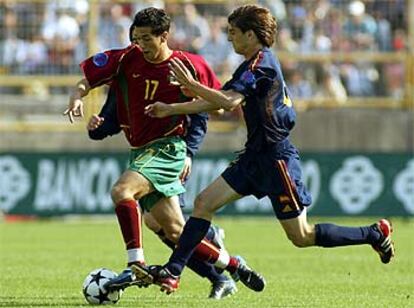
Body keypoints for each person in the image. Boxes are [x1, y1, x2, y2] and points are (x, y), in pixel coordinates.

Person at [139, 4, 395, 294]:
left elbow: (228, 102)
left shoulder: (262, 65)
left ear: (251, 34)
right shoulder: (250, 65)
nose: (229, 38)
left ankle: (373, 233)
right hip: (254, 157)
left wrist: (191, 85)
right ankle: (174, 272)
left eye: (234, 33)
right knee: (203, 203)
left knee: (302, 236)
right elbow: (219, 100)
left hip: (277, 161)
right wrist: (172, 108)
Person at [63, 7, 263, 298]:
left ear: (164, 36)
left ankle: (135, 263)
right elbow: (86, 80)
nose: (140, 44)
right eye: (136, 38)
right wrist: (76, 98)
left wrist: (189, 98)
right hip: (140, 151)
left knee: (121, 191)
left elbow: (219, 105)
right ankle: (233, 266)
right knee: (174, 230)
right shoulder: (125, 58)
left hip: (168, 148)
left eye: (146, 38)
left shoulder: (189, 65)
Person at [86, 85, 235, 299]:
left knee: (171, 228)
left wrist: (190, 152)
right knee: (162, 225)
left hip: (169, 155)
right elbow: (112, 120)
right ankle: (215, 253)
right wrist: (96, 128)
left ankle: (220, 264)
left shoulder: (169, 70)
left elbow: (200, 113)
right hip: (143, 157)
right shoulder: (122, 76)